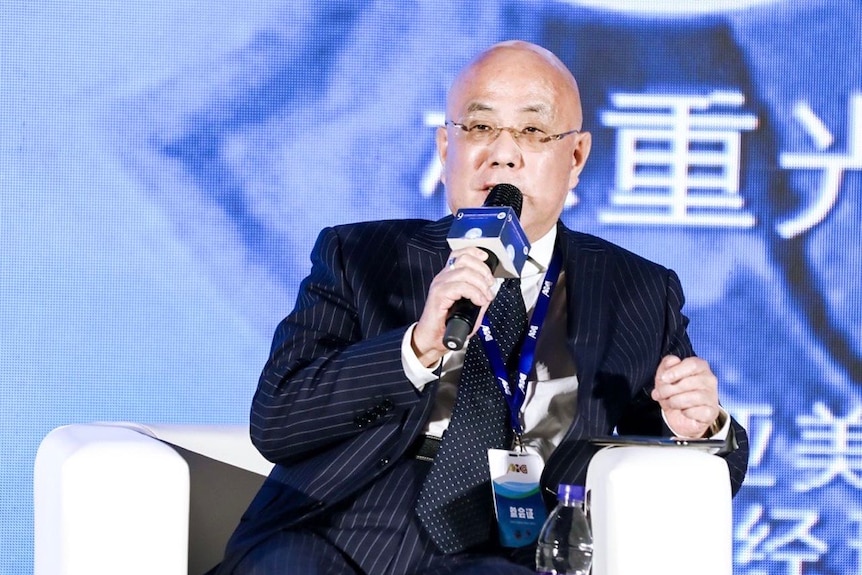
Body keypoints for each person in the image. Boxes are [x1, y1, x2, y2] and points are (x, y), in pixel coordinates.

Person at [212, 40, 749, 574]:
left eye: (533, 131)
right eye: (480, 127)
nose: (503, 152)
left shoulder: (639, 290)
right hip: (337, 529)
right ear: (447, 149)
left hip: (511, 545)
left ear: (576, 156)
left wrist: (700, 428)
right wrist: (416, 348)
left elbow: (709, 477)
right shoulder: (359, 256)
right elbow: (277, 421)